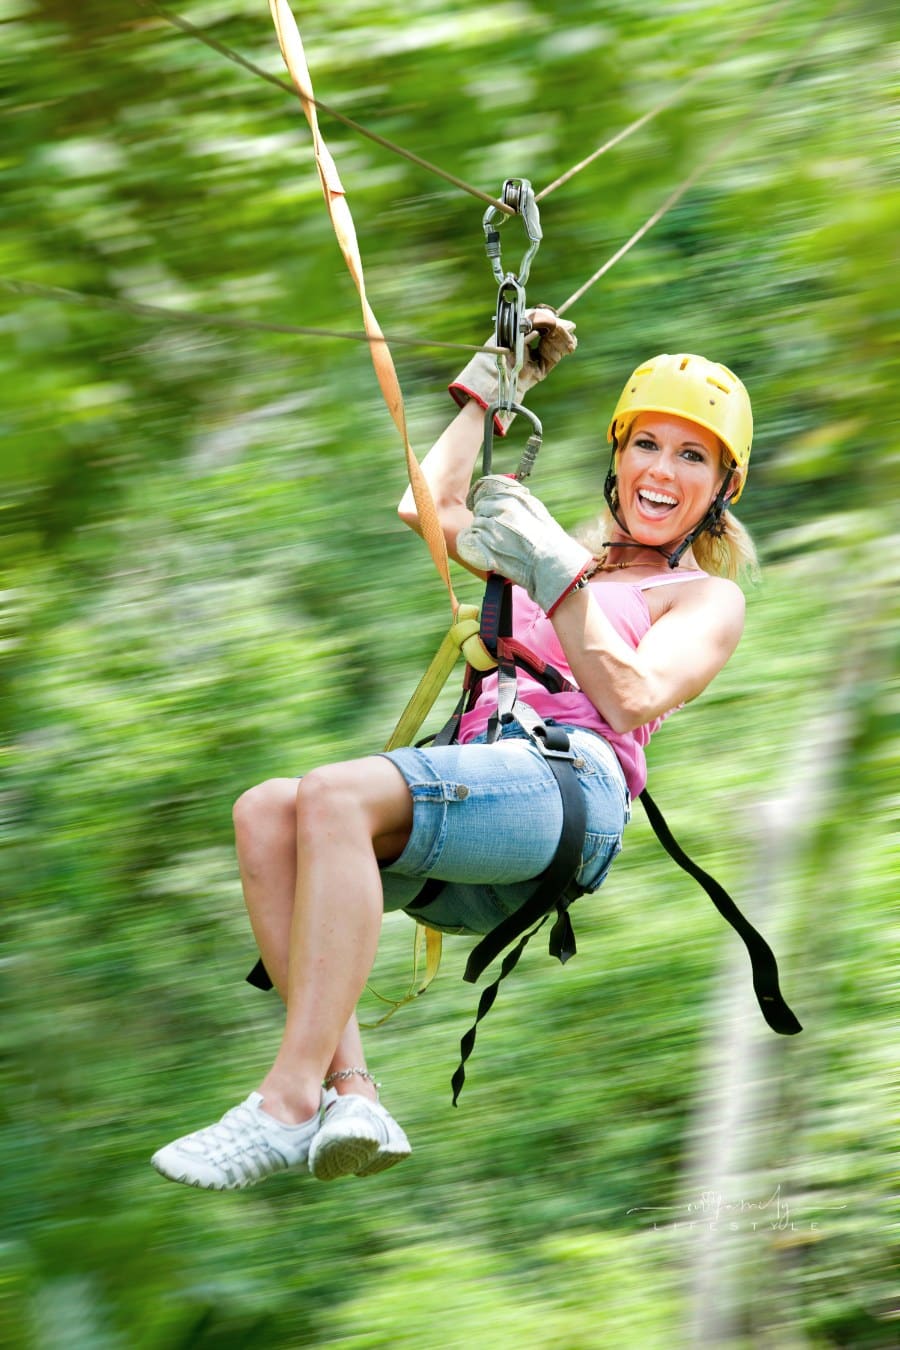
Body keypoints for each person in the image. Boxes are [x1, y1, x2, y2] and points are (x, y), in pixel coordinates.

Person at [151, 311, 756, 1191]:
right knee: (266, 813)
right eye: (648, 445)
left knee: (332, 794)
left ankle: (284, 1103)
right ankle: (350, 1092)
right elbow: (427, 508)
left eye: (692, 457)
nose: (662, 471)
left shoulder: (700, 600)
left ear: (722, 486)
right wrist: (491, 386)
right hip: (483, 793)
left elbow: (628, 697)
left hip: (566, 792)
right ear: (618, 455)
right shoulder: (557, 551)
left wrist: (555, 568)